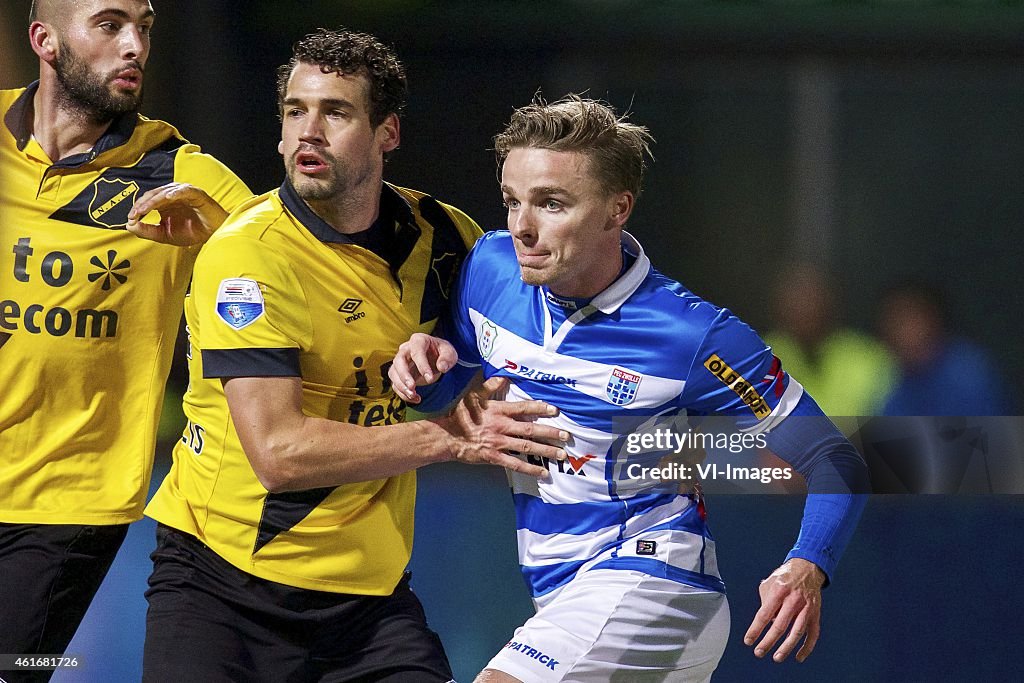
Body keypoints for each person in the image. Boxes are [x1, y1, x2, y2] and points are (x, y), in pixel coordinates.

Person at [390, 95, 870, 682]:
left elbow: (832, 457)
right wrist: (427, 368)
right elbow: (463, 389)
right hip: (559, 592)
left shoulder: (693, 334)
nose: (523, 226)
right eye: (513, 201)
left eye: (552, 204)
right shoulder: (489, 269)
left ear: (618, 208)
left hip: (654, 582)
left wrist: (807, 563)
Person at [142, 28, 567, 682]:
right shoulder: (248, 255)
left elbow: (527, 358)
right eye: (294, 111)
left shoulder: (452, 240)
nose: (308, 131)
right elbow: (279, 453)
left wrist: (489, 389)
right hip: (222, 588)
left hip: (366, 604)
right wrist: (448, 437)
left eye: (335, 112)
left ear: (387, 133)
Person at [0, 1, 251, 678]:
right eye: (110, 25)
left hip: (67, 505)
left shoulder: (182, 174)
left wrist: (226, 242)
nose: (135, 44)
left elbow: (297, 264)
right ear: (44, 41)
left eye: (144, 26)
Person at [765, 262, 895, 416]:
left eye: (811, 298)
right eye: (795, 300)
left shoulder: (869, 358)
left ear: (830, 303)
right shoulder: (759, 356)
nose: (803, 308)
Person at [879, 280, 1010, 416]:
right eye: (897, 323)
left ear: (933, 319)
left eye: (912, 319)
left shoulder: (969, 373)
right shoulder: (894, 383)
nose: (905, 332)